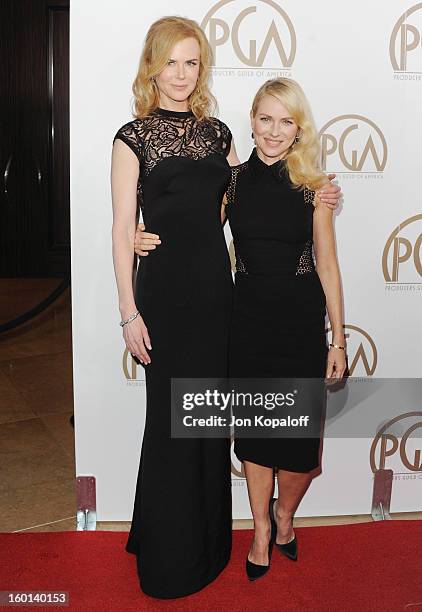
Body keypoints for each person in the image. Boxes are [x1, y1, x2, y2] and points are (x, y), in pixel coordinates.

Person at [112, 15, 342, 598]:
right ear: (152, 67)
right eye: (171, 61)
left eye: (192, 62)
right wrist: (128, 306)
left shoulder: (218, 136)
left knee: (209, 425)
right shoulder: (131, 137)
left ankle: (212, 544)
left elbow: (238, 202)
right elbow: (120, 229)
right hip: (166, 296)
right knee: (172, 423)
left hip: (220, 297)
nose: (181, 74)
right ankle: (168, 551)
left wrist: (321, 189)